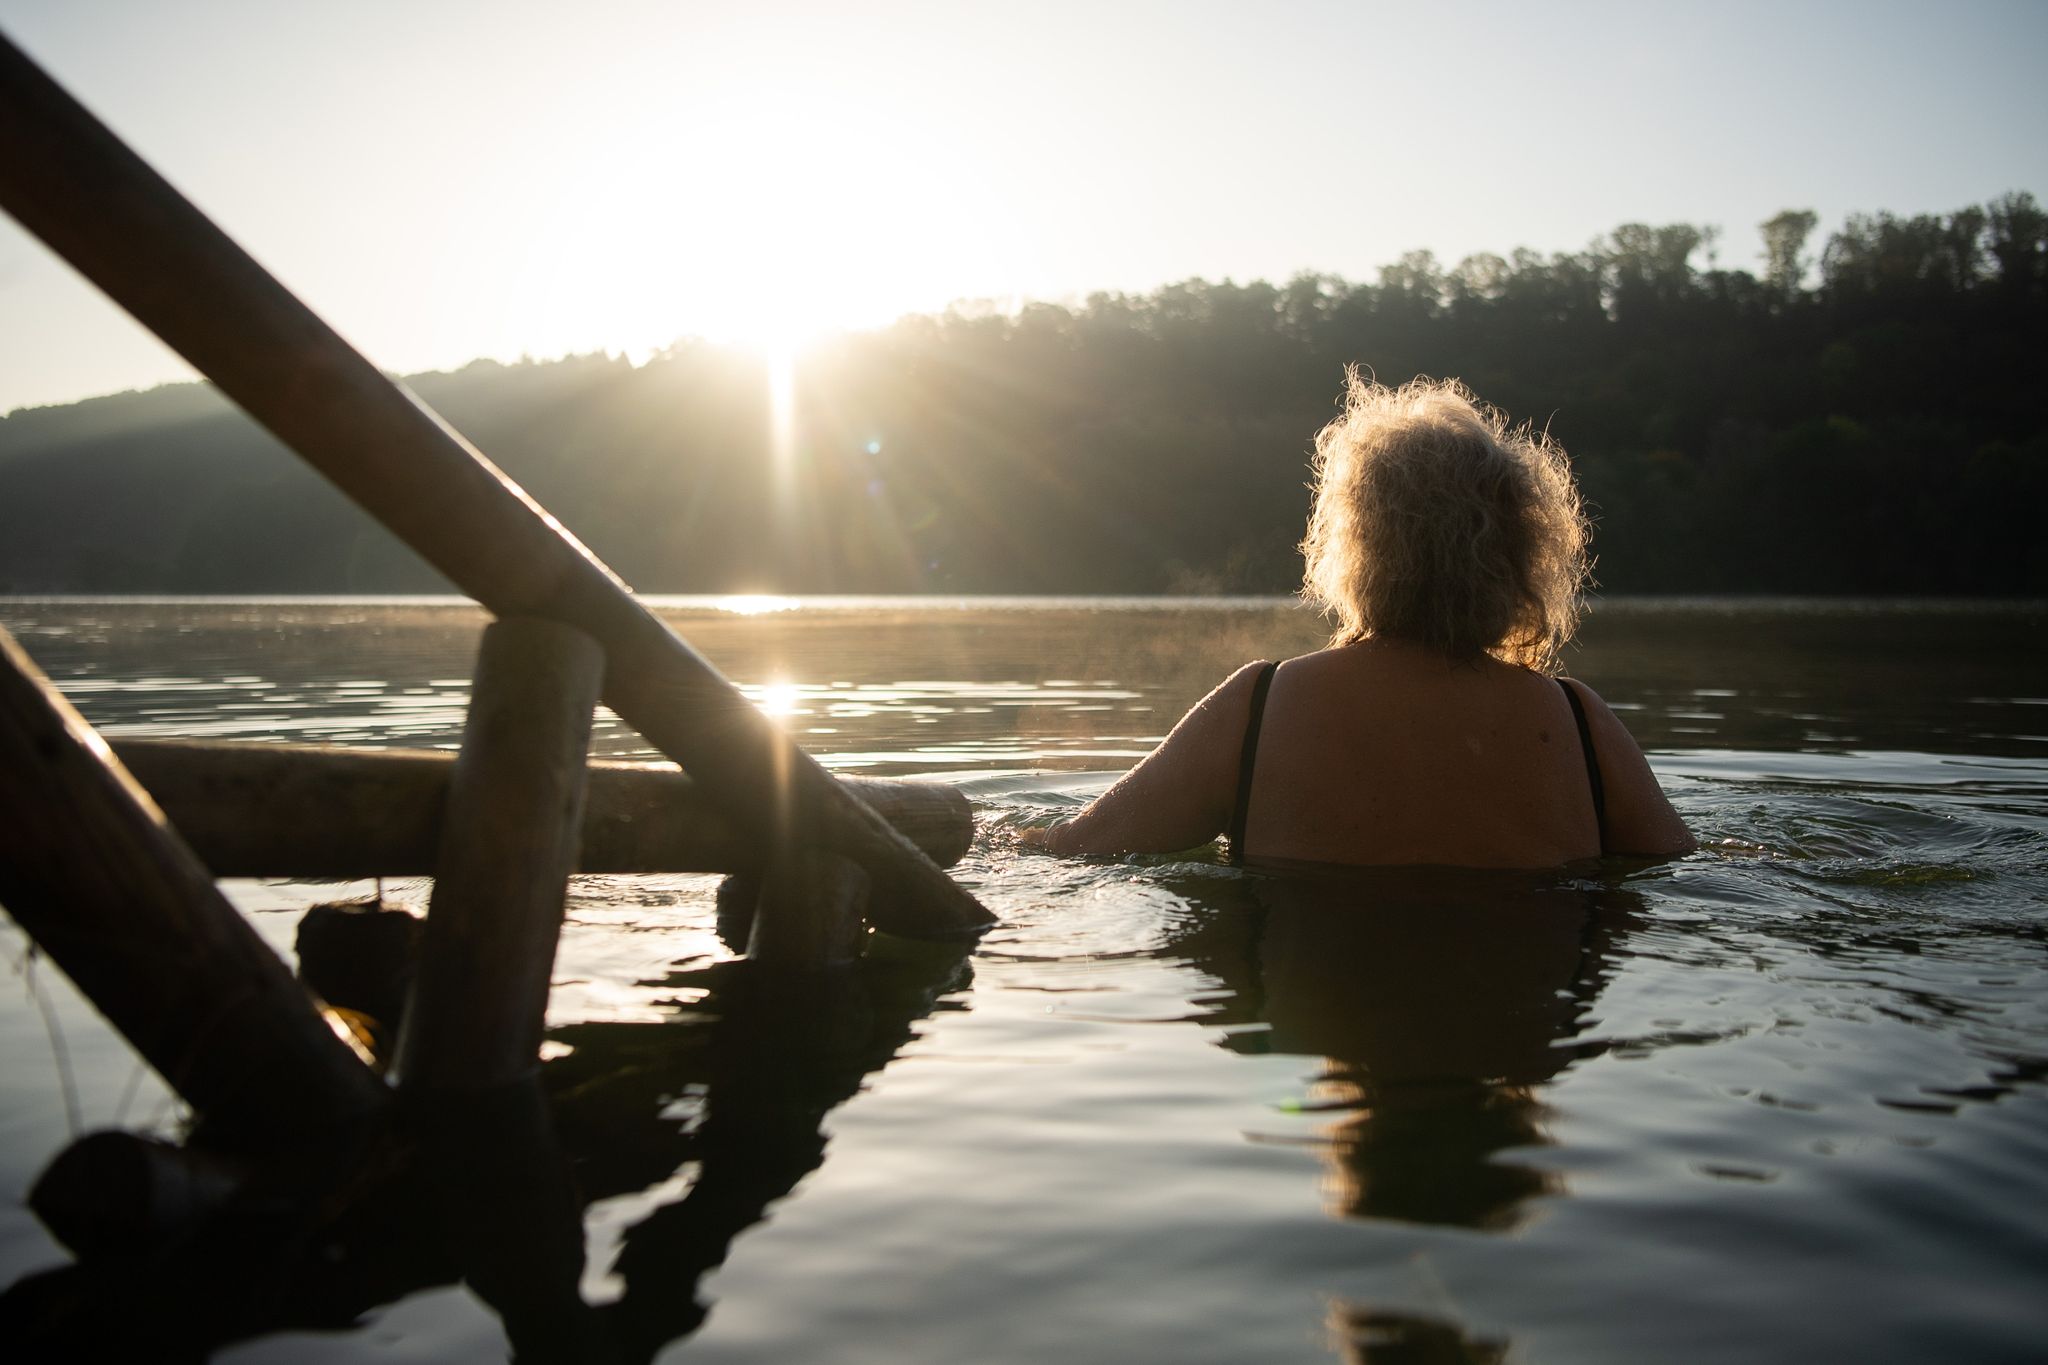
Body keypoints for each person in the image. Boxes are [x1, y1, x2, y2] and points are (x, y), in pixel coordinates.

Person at [1035, 372, 1693, 867]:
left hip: (1321, 1004)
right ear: (1522, 556)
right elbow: (1692, 875)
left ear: (1355, 547)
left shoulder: (1258, 708)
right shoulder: (1580, 727)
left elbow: (1072, 853)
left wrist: (1014, 834)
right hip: (1524, 1039)